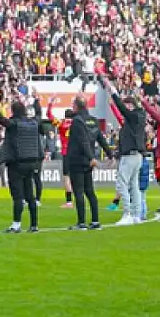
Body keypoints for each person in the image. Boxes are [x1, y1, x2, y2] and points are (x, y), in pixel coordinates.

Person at [0, 98, 42, 233]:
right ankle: (34, 224)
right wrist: (37, 101)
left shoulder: (14, 124)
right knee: (30, 195)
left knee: (18, 196)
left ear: (13, 111)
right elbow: (39, 115)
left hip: (16, 163)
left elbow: (0, 118)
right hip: (31, 162)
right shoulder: (33, 123)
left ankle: (16, 225)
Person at [101, 75, 148, 226]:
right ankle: (136, 215)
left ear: (130, 106)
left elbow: (121, 108)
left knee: (122, 183)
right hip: (137, 156)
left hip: (130, 156)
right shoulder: (138, 117)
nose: (125, 108)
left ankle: (127, 213)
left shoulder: (134, 116)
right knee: (133, 185)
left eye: (127, 105)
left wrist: (112, 89)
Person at [64, 95, 113, 230]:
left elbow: (82, 141)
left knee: (79, 192)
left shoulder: (77, 121)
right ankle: (95, 221)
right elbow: (100, 138)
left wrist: (91, 157)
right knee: (90, 191)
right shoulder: (93, 120)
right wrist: (110, 153)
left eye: (73, 104)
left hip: (78, 159)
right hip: (87, 161)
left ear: (76, 106)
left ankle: (81, 223)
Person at [45, 105, 75, 209]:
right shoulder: (78, 123)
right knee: (78, 177)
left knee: (66, 177)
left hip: (66, 152)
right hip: (77, 153)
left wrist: (50, 104)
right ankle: (80, 199)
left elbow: (49, 115)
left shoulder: (62, 123)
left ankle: (69, 201)